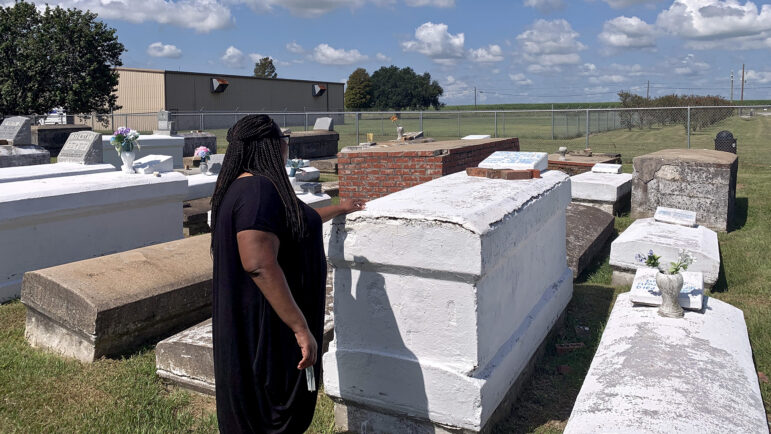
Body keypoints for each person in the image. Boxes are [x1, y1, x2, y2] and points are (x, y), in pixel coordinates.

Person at [210, 114, 365, 433]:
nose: (286, 147)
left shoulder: (245, 185)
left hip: (257, 325)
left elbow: (297, 220)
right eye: (283, 140)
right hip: (265, 330)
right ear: (269, 146)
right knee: (268, 414)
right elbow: (258, 263)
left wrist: (342, 207)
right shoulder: (257, 190)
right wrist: (300, 328)